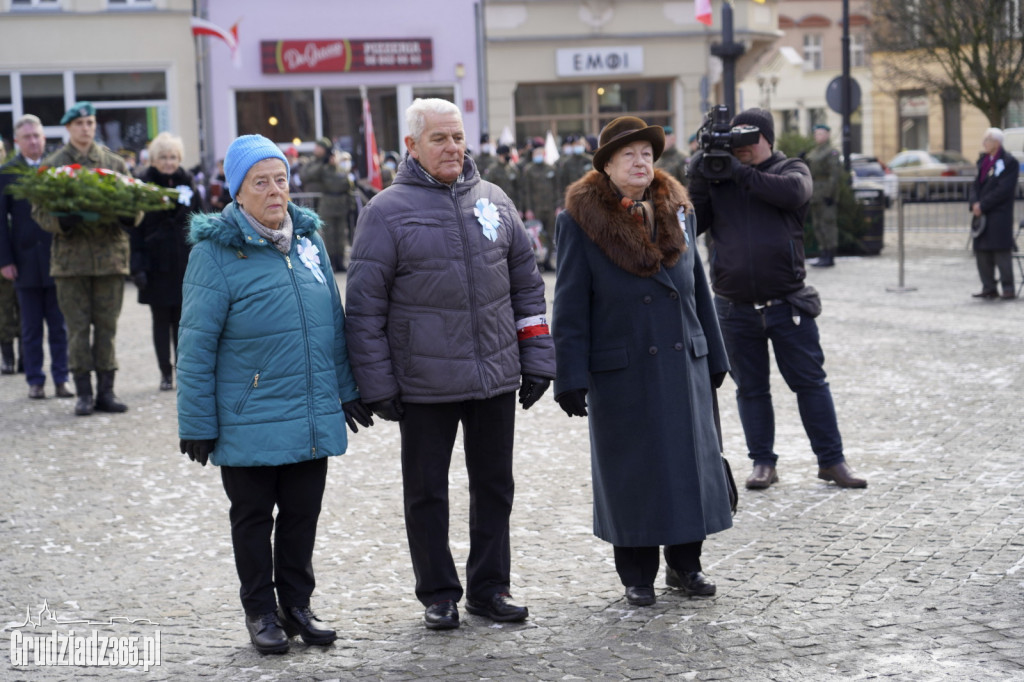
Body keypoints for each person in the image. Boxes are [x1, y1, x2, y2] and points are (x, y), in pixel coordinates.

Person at [345, 98, 555, 631]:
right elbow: (365, 308)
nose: (452, 148)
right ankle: (438, 592)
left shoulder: (496, 201)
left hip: (493, 377)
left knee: (494, 487)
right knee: (426, 492)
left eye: (458, 137)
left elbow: (529, 291)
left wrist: (536, 356)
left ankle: (490, 587)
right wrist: (376, 383)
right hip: (424, 382)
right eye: (439, 138)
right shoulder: (385, 211)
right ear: (412, 146)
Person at [176, 134, 373, 655]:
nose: (274, 191)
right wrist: (196, 420)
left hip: (309, 412)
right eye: (260, 182)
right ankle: (261, 611)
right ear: (237, 192)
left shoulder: (309, 243)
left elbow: (333, 322)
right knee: (253, 520)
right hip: (248, 415)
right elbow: (194, 346)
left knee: (303, 515)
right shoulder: (215, 254)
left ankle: (298, 605)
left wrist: (347, 389)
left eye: (281, 179)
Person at [552, 116, 732, 607]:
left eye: (647, 154)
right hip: (622, 367)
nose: (640, 162)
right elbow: (569, 303)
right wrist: (567, 375)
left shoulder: (681, 211)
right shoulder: (578, 221)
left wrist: (714, 355)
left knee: (688, 466)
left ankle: (686, 565)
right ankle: (636, 573)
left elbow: (699, 291)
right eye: (628, 154)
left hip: (683, 361)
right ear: (607, 164)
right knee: (632, 470)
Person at [688, 107, 867, 491]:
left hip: (788, 303)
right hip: (735, 307)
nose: (741, 148)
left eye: (748, 139)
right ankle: (763, 463)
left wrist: (740, 174)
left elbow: (794, 194)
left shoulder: (791, 169)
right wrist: (699, 179)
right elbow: (691, 224)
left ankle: (831, 460)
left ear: (767, 138)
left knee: (811, 384)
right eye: (734, 140)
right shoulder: (720, 177)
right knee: (750, 389)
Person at [33, 101, 135, 416]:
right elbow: (39, 210)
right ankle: (83, 394)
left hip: (109, 259)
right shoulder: (53, 166)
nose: (86, 128)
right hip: (71, 261)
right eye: (79, 124)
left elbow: (135, 201)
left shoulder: (113, 163)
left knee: (107, 327)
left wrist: (129, 216)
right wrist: (62, 222)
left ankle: (106, 391)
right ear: (68, 128)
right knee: (77, 328)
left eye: (90, 123)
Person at [0, 114, 71, 398]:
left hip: (57, 259)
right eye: (26, 137)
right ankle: (35, 380)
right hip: (24, 261)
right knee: (30, 328)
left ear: (44, 138)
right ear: (17, 142)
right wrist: (4, 260)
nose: (32, 141)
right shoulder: (6, 172)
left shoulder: (57, 168)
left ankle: (62, 379)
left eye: (37, 136)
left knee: (59, 326)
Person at [129, 132, 203, 391]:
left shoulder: (189, 183)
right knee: (160, 320)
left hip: (184, 264)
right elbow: (135, 230)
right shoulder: (144, 185)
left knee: (184, 322)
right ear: (154, 159)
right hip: (156, 264)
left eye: (173, 157)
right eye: (163, 157)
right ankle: (164, 372)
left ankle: (182, 370)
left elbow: (199, 221)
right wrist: (137, 266)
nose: (169, 162)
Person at [969, 127, 1020, 300]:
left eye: (987, 140)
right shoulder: (982, 161)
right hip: (981, 214)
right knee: (982, 252)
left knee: (1000, 251)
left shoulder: (1008, 162)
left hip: (999, 213)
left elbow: (1004, 189)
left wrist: (983, 204)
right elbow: (975, 185)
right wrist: (974, 203)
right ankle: (988, 286)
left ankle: (1008, 287)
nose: (984, 143)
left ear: (996, 143)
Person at [300, 138, 357, 271]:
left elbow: (347, 183)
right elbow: (306, 175)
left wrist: (337, 164)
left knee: (341, 235)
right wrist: (324, 164)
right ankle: (331, 262)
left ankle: (340, 261)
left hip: (340, 205)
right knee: (329, 235)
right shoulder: (319, 165)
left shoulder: (339, 167)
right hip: (327, 205)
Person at [806, 124, 842, 267]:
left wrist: (830, 194)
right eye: (816, 134)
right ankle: (823, 253)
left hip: (826, 192)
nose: (817, 136)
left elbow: (834, 175)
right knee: (818, 224)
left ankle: (830, 254)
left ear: (827, 135)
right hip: (815, 192)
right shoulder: (814, 151)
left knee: (828, 223)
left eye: (820, 134)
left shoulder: (831, 152)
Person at [520, 142, 558, 270]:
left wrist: (558, 206)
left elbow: (556, 189)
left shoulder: (551, 169)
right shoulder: (529, 170)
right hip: (536, 209)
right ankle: (538, 263)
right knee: (537, 236)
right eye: (537, 154)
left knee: (550, 234)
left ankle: (547, 262)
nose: (539, 156)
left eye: (541, 154)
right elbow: (526, 191)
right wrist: (528, 209)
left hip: (550, 207)